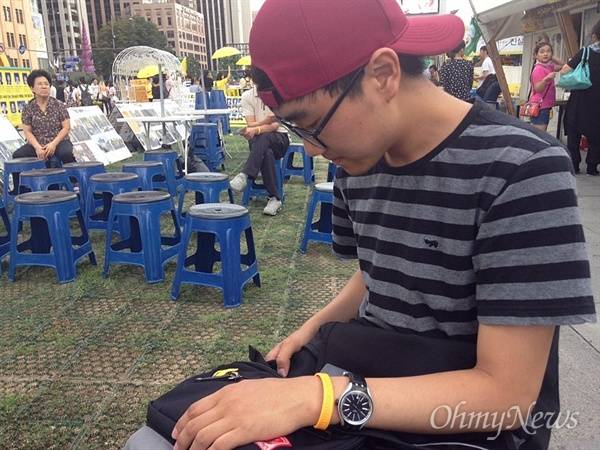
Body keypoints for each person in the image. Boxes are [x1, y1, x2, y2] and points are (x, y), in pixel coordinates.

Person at [125, 1, 596, 449]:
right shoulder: (358, 159)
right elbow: (376, 272)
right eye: (294, 130)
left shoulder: (521, 168)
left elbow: (508, 396)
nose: (311, 149)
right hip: (367, 373)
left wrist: (318, 398)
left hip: (464, 421)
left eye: (311, 123)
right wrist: (309, 331)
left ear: (384, 74)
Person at [229, 78, 290, 216]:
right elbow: (250, 123)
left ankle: (245, 175)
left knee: (265, 137)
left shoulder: (277, 95)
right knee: (266, 152)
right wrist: (263, 123)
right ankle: (274, 198)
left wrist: (257, 128)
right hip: (258, 141)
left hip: (279, 138)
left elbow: (275, 125)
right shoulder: (247, 96)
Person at [561, 20, 600, 175]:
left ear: (594, 35)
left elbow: (565, 71)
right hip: (597, 101)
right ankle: (592, 167)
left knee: (574, 130)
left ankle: (574, 165)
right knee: (596, 133)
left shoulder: (585, 52)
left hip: (580, 98)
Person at [13, 70, 75, 167]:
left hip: (59, 141)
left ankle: (74, 176)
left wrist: (53, 144)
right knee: (18, 156)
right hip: (37, 143)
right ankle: (24, 178)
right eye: (40, 84)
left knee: (66, 153)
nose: (44, 86)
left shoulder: (59, 105)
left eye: (46, 84)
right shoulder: (28, 108)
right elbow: (27, 131)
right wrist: (37, 147)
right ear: (32, 88)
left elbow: (66, 127)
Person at [528, 41, 557, 131]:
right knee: (539, 134)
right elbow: (538, 88)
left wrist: (552, 57)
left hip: (544, 106)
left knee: (540, 133)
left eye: (548, 51)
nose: (545, 54)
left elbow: (563, 65)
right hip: (540, 107)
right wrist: (546, 79)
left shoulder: (548, 67)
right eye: (542, 52)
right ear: (536, 55)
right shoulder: (538, 69)